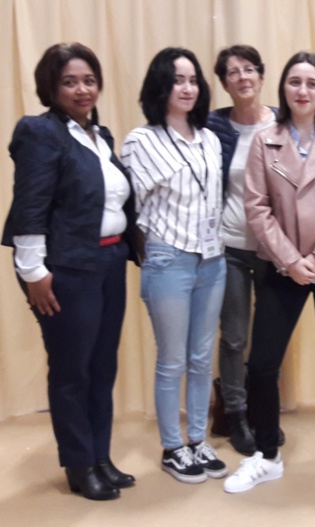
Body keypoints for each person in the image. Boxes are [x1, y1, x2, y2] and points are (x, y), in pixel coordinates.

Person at [223, 51, 315, 493]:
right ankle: (266, 454)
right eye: (294, 83)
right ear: (283, 89)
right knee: (263, 364)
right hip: (282, 266)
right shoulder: (264, 141)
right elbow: (257, 208)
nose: (302, 90)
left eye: (311, 82)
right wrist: (292, 260)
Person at [2, 43, 139, 500]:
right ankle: (80, 467)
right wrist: (32, 271)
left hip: (109, 261)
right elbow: (30, 205)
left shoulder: (99, 135)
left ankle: (101, 456)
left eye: (88, 80)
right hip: (66, 269)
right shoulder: (40, 133)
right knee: (71, 371)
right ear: (51, 86)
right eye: (69, 81)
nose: (82, 89)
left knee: (102, 367)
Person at [121, 47, 227, 484]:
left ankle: (198, 440)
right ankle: (172, 447)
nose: (187, 88)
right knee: (172, 360)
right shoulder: (140, 140)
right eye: (177, 79)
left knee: (203, 358)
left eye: (193, 80)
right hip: (169, 260)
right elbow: (131, 206)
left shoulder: (210, 138)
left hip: (213, 259)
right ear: (160, 87)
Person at [206, 45, 278, 456]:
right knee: (234, 336)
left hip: (273, 248)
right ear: (224, 82)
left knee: (269, 335)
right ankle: (235, 413)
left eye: (249, 69)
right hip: (230, 246)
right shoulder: (214, 125)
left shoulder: (282, 123)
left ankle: (264, 411)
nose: (243, 77)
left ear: (261, 76)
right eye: (233, 72)